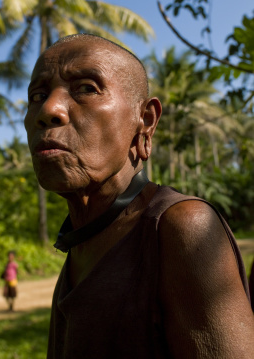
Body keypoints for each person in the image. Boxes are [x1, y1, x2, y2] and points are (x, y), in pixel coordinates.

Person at [23, 33, 254, 358]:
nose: (47, 110)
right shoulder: (82, 239)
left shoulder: (181, 228)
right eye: (37, 94)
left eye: (87, 88)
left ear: (145, 121)